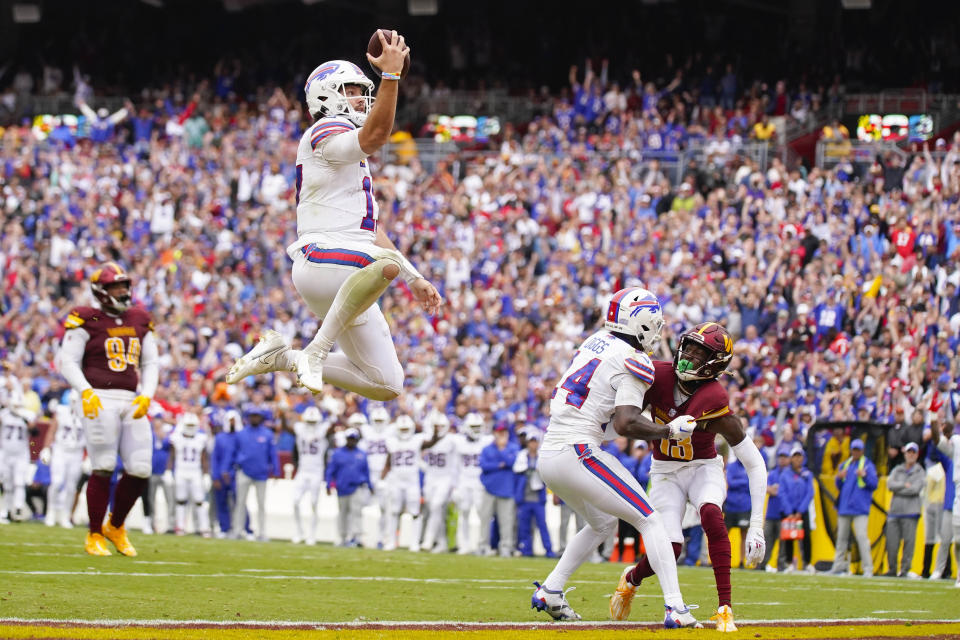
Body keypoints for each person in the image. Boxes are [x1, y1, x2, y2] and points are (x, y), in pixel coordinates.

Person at [225, 32, 442, 401]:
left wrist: (415, 278)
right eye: (352, 90)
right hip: (323, 260)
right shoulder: (324, 129)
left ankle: (283, 356)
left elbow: (369, 231)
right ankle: (316, 349)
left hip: (350, 266)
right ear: (326, 96)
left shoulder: (346, 148)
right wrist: (390, 77)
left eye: (363, 89)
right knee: (384, 265)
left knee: (386, 383)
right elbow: (374, 136)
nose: (361, 97)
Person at [534, 287, 700, 628]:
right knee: (650, 519)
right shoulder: (634, 359)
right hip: (578, 450)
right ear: (640, 323)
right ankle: (676, 608)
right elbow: (625, 423)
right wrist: (668, 431)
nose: (657, 329)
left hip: (551, 451)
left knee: (603, 524)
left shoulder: (597, 341)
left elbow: (606, 418)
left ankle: (551, 590)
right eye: (654, 322)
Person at [612, 322, 768, 633]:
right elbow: (625, 412)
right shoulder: (658, 374)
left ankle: (725, 607)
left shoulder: (715, 398)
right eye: (690, 347)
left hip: (702, 467)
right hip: (665, 471)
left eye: (700, 353)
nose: (689, 356)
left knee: (711, 513)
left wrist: (756, 527)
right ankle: (632, 578)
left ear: (716, 363)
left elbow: (755, 463)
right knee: (671, 548)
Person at [55, 263, 159, 556]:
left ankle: (116, 525)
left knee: (140, 469)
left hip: (131, 398)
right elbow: (68, 361)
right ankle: (94, 533)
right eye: (116, 287)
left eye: (124, 286)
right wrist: (85, 391)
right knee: (103, 466)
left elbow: (151, 363)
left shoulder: (139, 318)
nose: (123, 292)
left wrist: (147, 395)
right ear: (101, 291)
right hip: (98, 396)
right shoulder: (87, 317)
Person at [380, 414, 440, 551]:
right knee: (394, 511)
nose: (404, 432)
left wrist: (436, 431)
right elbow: (388, 463)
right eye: (402, 429)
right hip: (396, 481)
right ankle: (392, 542)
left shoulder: (416, 440)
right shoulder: (392, 442)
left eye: (406, 429)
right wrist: (382, 479)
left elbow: (431, 443)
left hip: (412, 482)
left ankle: (414, 543)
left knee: (415, 512)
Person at [829, 439, 878, 577]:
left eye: (858, 450)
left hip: (860, 508)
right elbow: (839, 486)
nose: (856, 452)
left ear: (862, 451)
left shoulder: (868, 466)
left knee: (862, 537)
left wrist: (865, 476)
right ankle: (838, 565)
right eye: (854, 449)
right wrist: (839, 478)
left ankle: (868, 568)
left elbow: (874, 484)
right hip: (844, 507)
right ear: (851, 450)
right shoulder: (845, 465)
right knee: (841, 538)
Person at [231, 406, 279, 541]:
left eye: (257, 416)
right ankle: (237, 530)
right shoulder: (241, 434)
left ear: (261, 418)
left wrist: (276, 470)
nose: (254, 418)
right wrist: (236, 465)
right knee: (240, 503)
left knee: (261, 504)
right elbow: (234, 452)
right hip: (244, 471)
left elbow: (272, 454)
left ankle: (262, 532)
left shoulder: (267, 434)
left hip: (261, 473)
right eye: (252, 416)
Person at [43, 390, 86, 528]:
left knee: (71, 486)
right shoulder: (61, 411)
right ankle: (50, 512)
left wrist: (89, 456)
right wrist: (46, 448)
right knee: (56, 482)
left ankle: (65, 515)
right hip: (60, 450)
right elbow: (52, 431)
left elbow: (91, 437)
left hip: (77, 452)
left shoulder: (87, 415)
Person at [885, 442, 925, 577]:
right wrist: (904, 485)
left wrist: (900, 488)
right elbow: (890, 484)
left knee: (909, 543)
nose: (911, 455)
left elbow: (915, 489)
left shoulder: (920, 471)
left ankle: (905, 570)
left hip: (911, 512)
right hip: (895, 511)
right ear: (905, 453)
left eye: (913, 452)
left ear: (917, 454)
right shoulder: (897, 469)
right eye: (909, 452)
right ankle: (892, 569)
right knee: (891, 543)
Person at [291, 407, 331, 545]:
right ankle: (299, 532)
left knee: (314, 503)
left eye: (313, 421)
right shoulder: (300, 428)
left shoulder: (323, 429)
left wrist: (330, 412)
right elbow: (288, 426)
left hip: (316, 471)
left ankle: (312, 535)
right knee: (295, 501)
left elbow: (331, 426)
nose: (311, 424)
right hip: (302, 470)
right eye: (309, 421)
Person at [168, 412, 212, 537]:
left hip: (195, 471)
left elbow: (204, 458)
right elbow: (172, 456)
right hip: (181, 470)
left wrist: (206, 474)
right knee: (180, 501)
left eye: (193, 425)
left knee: (200, 501)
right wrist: (168, 471)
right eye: (189, 425)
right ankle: (180, 527)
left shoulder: (201, 438)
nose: (191, 428)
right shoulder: (176, 437)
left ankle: (204, 527)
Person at [479, 423, 519, 558]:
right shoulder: (487, 449)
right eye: (499, 432)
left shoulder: (513, 447)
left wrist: (501, 450)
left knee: (506, 521)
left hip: (506, 489)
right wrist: (499, 464)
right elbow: (484, 465)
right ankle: (483, 546)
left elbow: (511, 462)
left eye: (504, 432)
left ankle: (506, 547)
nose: (501, 435)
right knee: (484, 519)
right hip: (489, 488)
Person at [325, 427, 371, 547]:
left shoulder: (361, 454)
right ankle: (342, 537)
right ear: (346, 439)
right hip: (342, 487)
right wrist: (328, 484)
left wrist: (370, 485)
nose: (352, 441)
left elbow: (366, 472)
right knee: (343, 513)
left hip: (357, 486)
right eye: (350, 439)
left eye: (353, 439)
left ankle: (357, 537)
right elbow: (331, 470)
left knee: (357, 512)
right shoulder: (337, 454)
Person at [513, 430, 554, 557]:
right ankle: (527, 550)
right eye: (531, 442)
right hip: (524, 496)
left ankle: (548, 550)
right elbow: (517, 469)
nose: (533, 445)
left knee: (542, 524)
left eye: (535, 442)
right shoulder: (522, 455)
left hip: (538, 497)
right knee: (524, 526)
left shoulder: (542, 456)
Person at [453, 412, 489, 554]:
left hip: (480, 482)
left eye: (478, 426)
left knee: (482, 513)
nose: (476, 429)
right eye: (473, 426)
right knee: (464, 512)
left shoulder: (487, 440)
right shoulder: (459, 442)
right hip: (464, 481)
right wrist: (454, 486)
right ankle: (465, 544)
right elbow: (455, 466)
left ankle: (482, 544)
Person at [420, 412, 457, 553]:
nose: (439, 428)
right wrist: (424, 467)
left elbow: (457, 462)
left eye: (441, 425)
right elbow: (414, 453)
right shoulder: (426, 438)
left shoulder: (452, 440)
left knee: (436, 506)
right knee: (434, 509)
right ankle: (441, 541)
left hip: (445, 477)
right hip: (431, 477)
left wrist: (455, 482)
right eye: (436, 425)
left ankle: (428, 540)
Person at [357, 408, 391, 548]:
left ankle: (382, 538)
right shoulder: (366, 433)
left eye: (380, 420)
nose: (378, 423)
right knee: (360, 506)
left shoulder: (391, 432)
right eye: (376, 420)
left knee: (384, 508)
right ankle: (358, 536)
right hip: (369, 474)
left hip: (385, 475)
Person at [779, 443, 815, 572]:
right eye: (795, 456)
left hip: (802, 511)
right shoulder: (785, 474)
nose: (797, 459)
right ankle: (789, 563)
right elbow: (782, 493)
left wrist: (800, 510)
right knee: (788, 537)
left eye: (800, 456)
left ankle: (808, 562)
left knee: (806, 536)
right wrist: (789, 511)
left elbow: (810, 492)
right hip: (789, 512)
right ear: (791, 458)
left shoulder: (807, 474)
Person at [0, 395, 34, 523]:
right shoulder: (4, 414)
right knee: (7, 483)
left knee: (19, 481)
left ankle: (18, 508)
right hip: (5, 453)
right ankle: (6, 510)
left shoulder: (27, 415)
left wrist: (23, 418)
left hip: (21, 454)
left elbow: (35, 432)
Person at [211, 410, 242, 538]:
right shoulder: (220, 437)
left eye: (234, 420)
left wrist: (232, 471)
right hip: (221, 475)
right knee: (221, 502)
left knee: (240, 502)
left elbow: (242, 456)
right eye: (230, 420)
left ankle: (243, 528)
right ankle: (224, 528)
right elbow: (215, 458)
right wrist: (216, 476)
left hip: (235, 475)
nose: (232, 423)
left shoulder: (241, 436)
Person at [762, 446, 791, 573]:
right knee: (766, 540)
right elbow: (766, 488)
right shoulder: (773, 473)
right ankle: (762, 564)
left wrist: (775, 490)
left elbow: (784, 491)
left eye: (785, 457)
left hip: (784, 513)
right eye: (781, 457)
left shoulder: (790, 474)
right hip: (771, 513)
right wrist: (774, 489)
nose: (782, 460)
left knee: (783, 542)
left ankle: (781, 565)